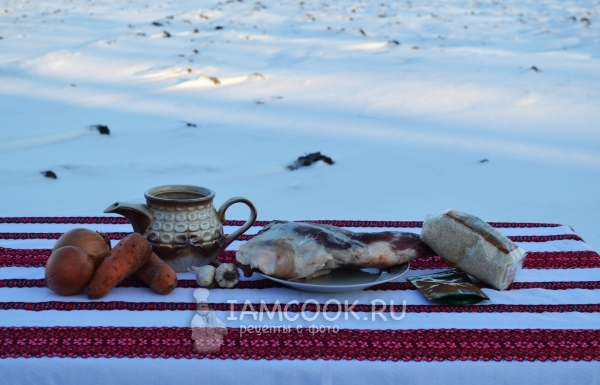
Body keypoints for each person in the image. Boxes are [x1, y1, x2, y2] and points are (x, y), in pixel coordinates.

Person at [191, 288, 227, 353]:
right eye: (201, 305)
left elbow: (222, 326)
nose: (204, 306)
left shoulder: (210, 315)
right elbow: (207, 331)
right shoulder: (196, 318)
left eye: (205, 305)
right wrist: (213, 318)